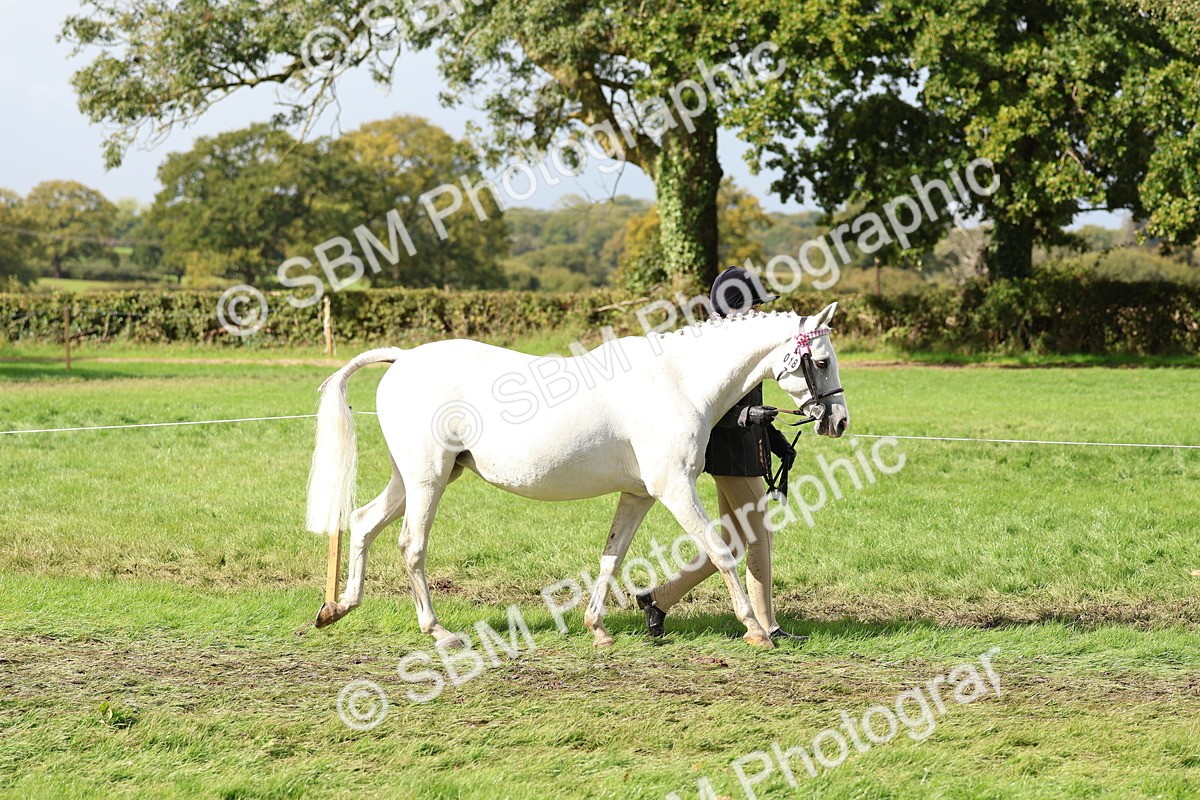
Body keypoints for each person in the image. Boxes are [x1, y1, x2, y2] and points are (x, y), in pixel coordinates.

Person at [635, 266, 804, 642]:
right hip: (728, 452)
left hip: (746, 450)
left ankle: (659, 599)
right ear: (736, 309)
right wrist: (748, 416)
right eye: (755, 306)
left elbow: (752, 403)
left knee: (734, 541)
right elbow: (703, 407)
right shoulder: (712, 349)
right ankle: (766, 626)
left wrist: (776, 440)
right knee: (760, 535)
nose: (760, 312)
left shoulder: (744, 344)